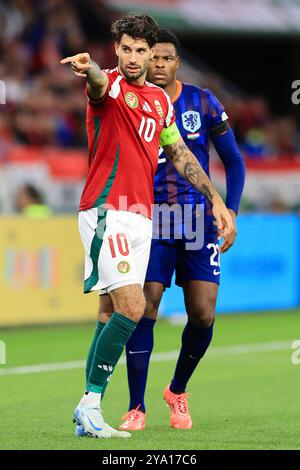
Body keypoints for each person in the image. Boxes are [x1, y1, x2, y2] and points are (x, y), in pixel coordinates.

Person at [60, 15, 233, 439]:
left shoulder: (158, 100)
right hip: (107, 209)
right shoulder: (109, 86)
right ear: (115, 49)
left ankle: (87, 409)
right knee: (134, 308)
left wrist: (217, 201)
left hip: (142, 216)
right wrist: (93, 70)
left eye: (142, 51)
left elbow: (179, 154)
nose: (134, 58)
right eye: (126, 49)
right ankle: (91, 404)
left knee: (108, 312)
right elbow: (99, 83)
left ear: (151, 52)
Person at [119, 30, 245, 431]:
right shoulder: (130, 99)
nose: (157, 64)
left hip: (197, 220)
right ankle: (136, 406)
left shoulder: (202, 102)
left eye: (165, 58)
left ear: (177, 63)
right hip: (149, 217)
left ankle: (176, 390)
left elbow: (235, 162)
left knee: (204, 314)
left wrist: (232, 211)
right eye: (151, 57)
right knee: (146, 306)